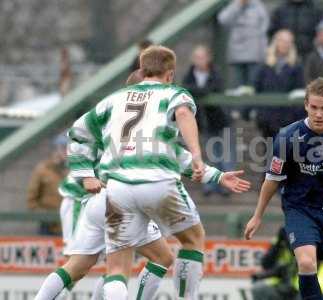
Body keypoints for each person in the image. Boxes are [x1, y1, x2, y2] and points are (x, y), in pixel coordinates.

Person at [67, 46, 250, 299]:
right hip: (158, 183)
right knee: (193, 239)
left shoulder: (115, 99)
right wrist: (198, 156)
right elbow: (184, 114)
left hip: (118, 189)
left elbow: (78, 132)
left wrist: (86, 173)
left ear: (142, 70)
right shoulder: (172, 94)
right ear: (170, 74)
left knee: (118, 267)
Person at [245, 77, 323, 300]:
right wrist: (257, 215)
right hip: (301, 209)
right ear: (305, 105)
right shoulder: (287, 137)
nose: (318, 113)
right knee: (306, 261)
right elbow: (272, 179)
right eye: (313, 107)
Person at [182, 45, 233, 196]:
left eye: (202, 57)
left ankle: (226, 183)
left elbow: (214, 87)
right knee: (210, 152)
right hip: (201, 119)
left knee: (223, 152)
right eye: (197, 57)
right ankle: (211, 184)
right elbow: (186, 88)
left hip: (218, 118)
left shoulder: (216, 72)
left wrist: (200, 92)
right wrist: (202, 91)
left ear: (208, 58)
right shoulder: (190, 74)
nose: (199, 61)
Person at [254, 29, 305, 141]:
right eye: (282, 40)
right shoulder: (264, 65)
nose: (284, 44)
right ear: (275, 42)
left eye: (288, 41)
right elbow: (257, 87)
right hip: (266, 118)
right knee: (268, 153)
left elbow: (300, 91)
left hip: (288, 119)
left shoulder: (297, 66)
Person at [217, 0, 269, 86]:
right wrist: (238, 5)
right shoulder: (233, 5)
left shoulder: (258, 6)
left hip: (254, 54)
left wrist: (262, 50)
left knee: (253, 86)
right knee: (237, 86)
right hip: (237, 54)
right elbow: (223, 20)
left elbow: (264, 28)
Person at [27, 134, 69, 236]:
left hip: (69, 225)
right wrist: (45, 216)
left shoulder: (73, 170)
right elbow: (31, 200)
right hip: (48, 227)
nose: (65, 152)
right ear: (55, 149)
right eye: (63, 148)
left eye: (68, 148)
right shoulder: (42, 170)